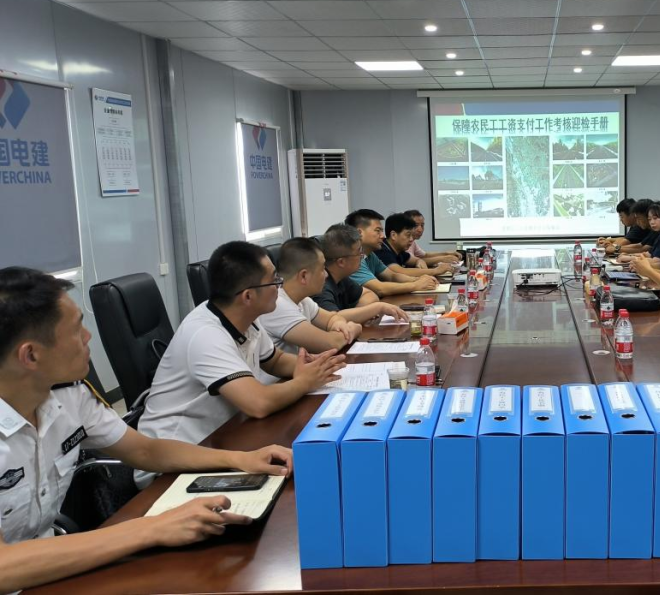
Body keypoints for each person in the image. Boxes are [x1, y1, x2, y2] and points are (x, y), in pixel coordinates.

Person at [0, 267, 292, 593]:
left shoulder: (68, 395)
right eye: (75, 329)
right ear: (31, 355)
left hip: (52, 570)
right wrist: (152, 528)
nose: (87, 337)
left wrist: (240, 460)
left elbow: (144, 449)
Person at [137, 241, 345, 487]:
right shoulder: (205, 335)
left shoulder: (245, 318)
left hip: (224, 438)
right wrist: (303, 382)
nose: (279, 286)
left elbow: (275, 361)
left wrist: (311, 366)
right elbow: (258, 403)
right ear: (248, 296)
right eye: (273, 281)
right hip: (175, 462)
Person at [261, 237, 407, 355]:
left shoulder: (303, 300)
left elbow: (332, 318)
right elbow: (330, 343)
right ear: (304, 276)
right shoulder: (278, 305)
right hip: (282, 381)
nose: (326, 275)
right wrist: (353, 328)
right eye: (322, 269)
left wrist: (339, 325)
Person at [345, 209, 439, 297]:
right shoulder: (351, 258)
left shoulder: (370, 255)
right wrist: (416, 285)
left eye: (382, 231)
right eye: (378, 231)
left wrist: (419, 279)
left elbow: (392, 276)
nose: (382, 236)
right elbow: (379, 289)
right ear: (359, 233)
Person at [313, 223, 379, 313]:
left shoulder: (341, 278)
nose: (362, 256)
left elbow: (370, 295)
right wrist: (375, 309)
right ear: (341, 262)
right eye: (358, 252)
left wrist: (357, 315)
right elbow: (331, 318)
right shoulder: (320, 286)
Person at [374, 213, 454, 278]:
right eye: (408, 235)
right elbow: (399, 272)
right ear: (393, 235)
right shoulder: (382, 249)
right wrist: (435, 271)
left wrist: (420, 261)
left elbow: (416, 260)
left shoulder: (399, 250)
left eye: (412, 235)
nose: (411, 239)